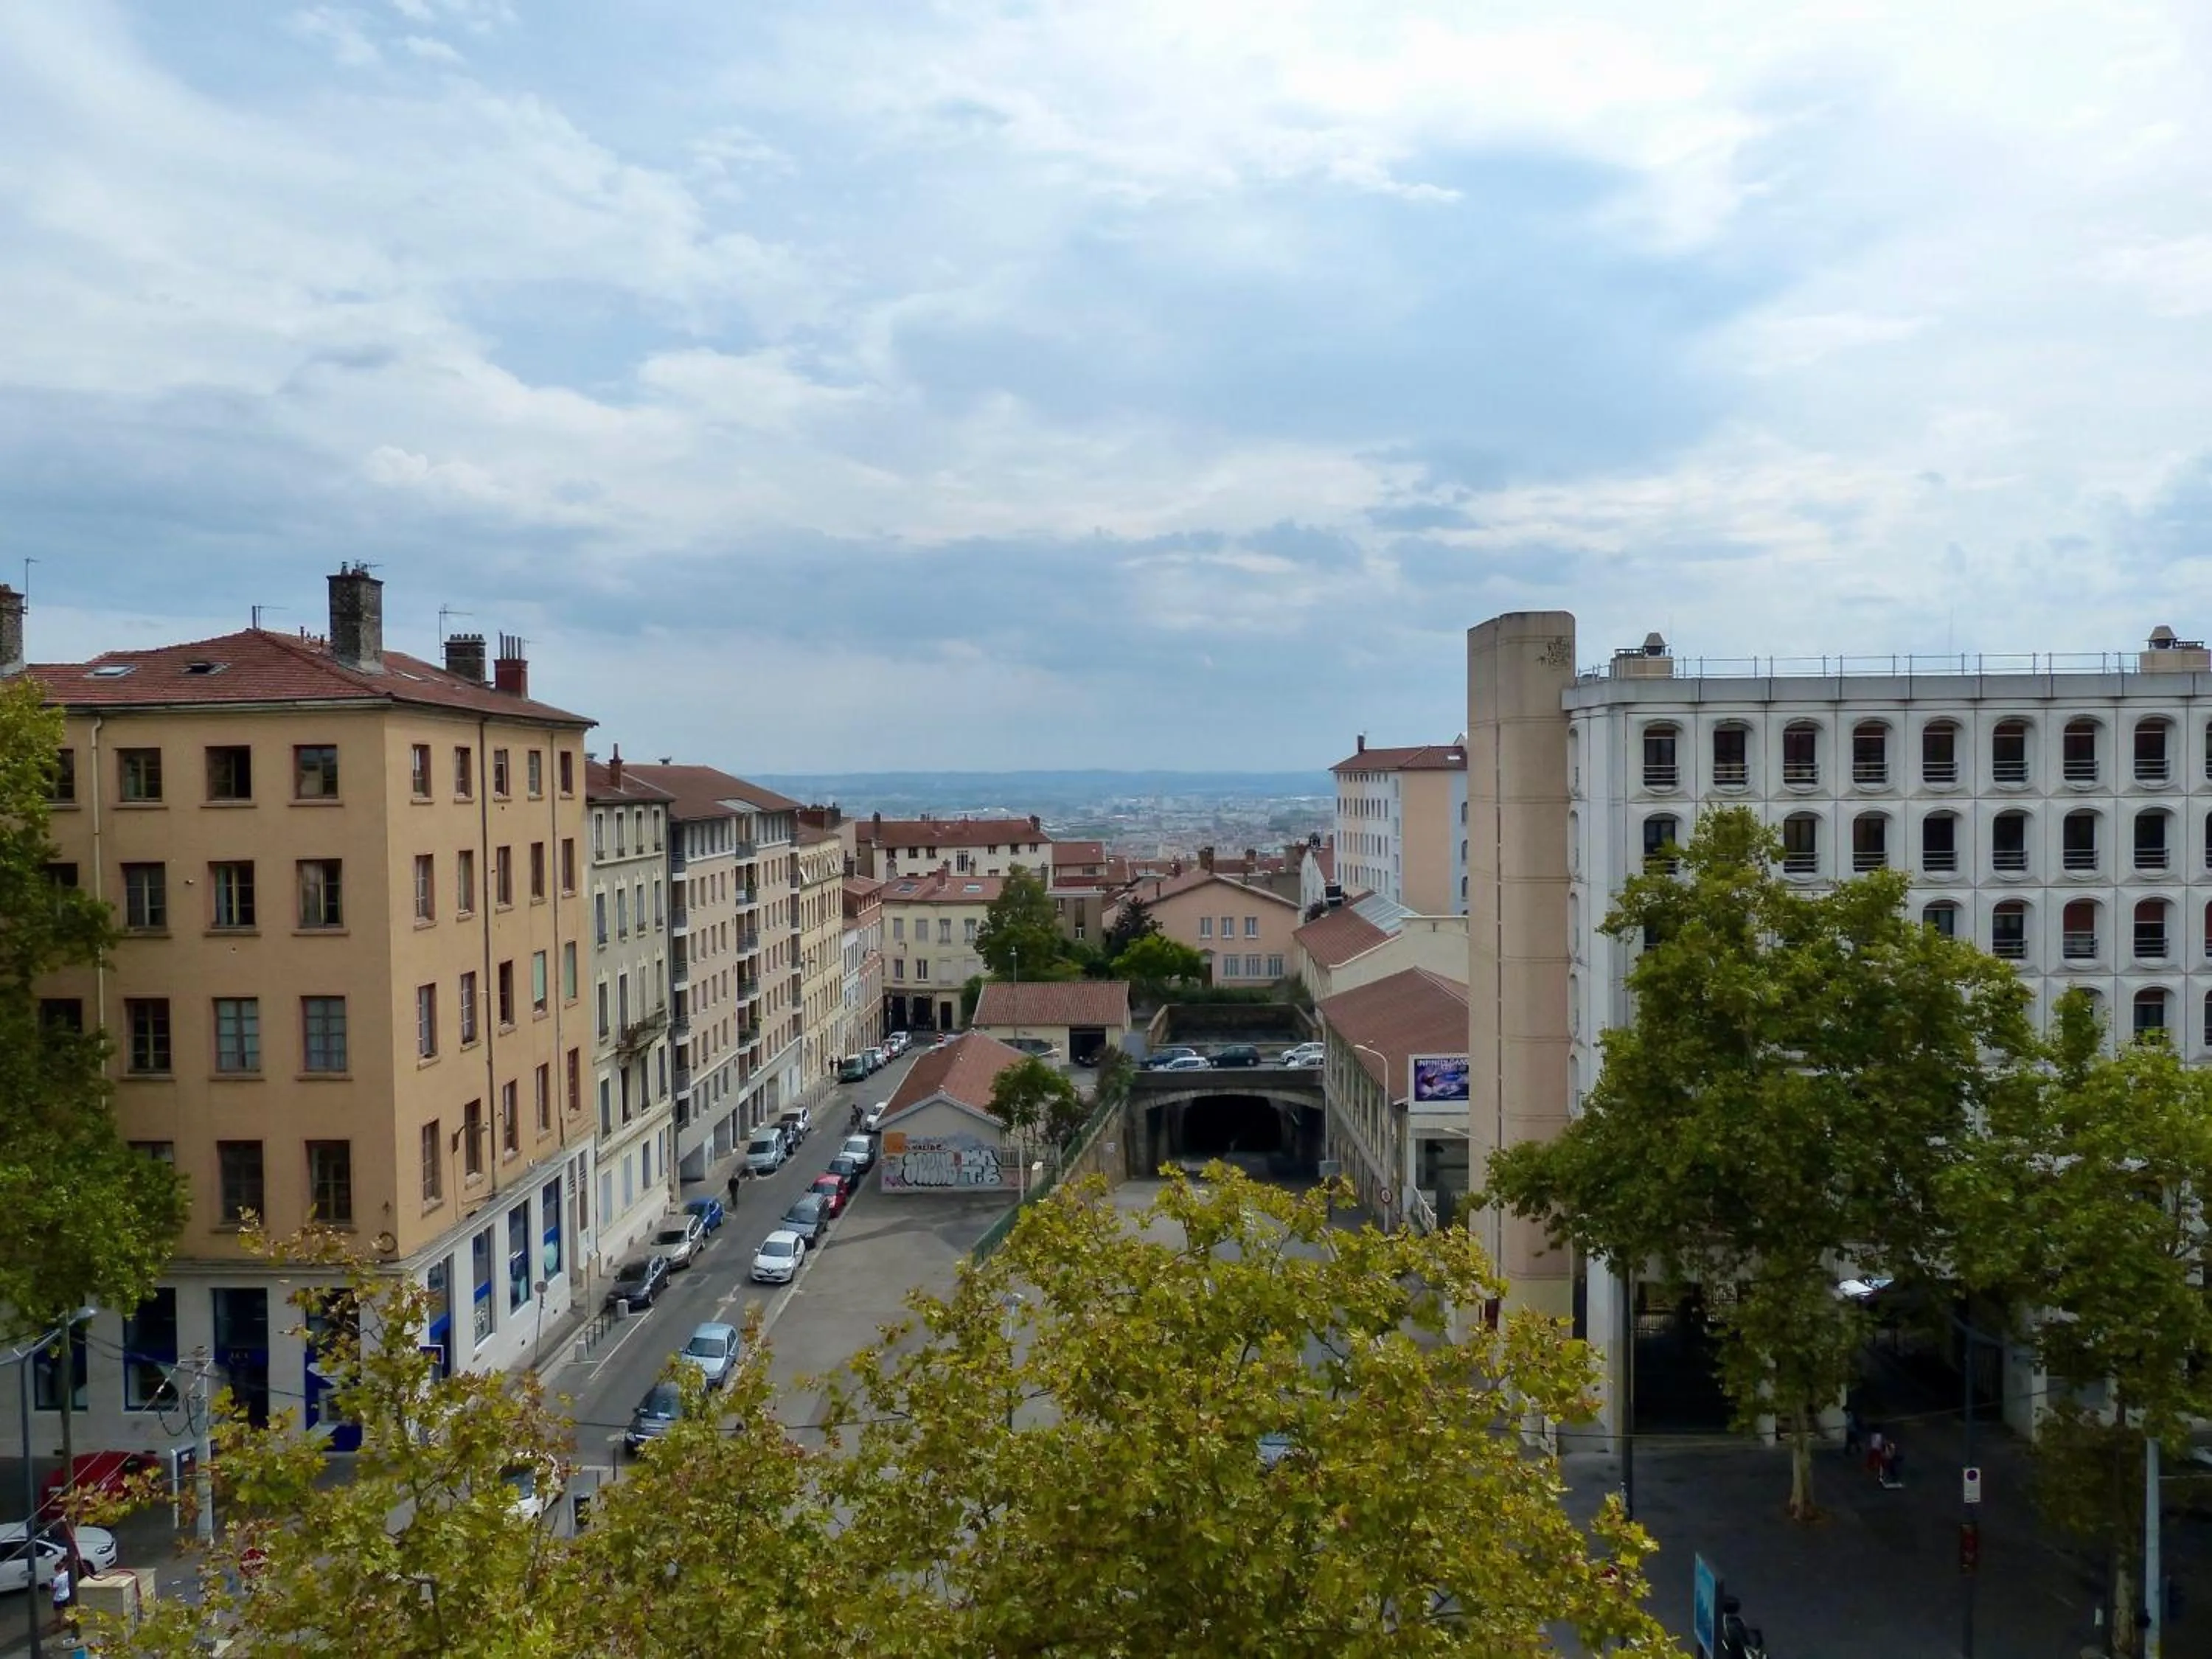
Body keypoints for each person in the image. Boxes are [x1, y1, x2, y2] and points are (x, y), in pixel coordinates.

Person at [49, 1559, 72, 1632]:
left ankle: (60, 1627)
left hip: (58, 1598)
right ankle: (68, 1624)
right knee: (66, 1611)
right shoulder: (68, 1574)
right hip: (67, 1595)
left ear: (56, 1570)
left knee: (58, 1614)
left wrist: (49, 1586)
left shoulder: (57, 1579)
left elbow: (54, 1589)